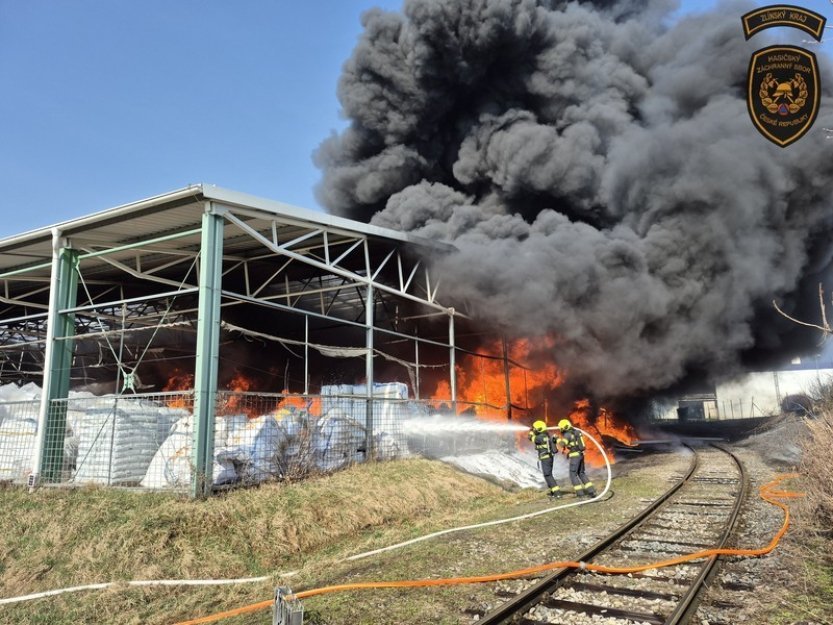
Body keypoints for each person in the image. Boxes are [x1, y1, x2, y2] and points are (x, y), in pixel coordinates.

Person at [556, 418, 597, 498]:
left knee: (573, 475)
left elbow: (562, 444)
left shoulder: (567, 435)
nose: (561, 430)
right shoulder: (577, 432)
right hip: (581, 455)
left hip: (575, 457)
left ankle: (580, 494)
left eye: (561, 428)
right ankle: (591, 491)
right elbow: (576, 444)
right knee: (581, 473)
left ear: (563, 427)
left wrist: (557, 439)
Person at [528, 420, 563, 499]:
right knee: (548, 475)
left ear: (539, 429)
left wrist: (531, 431)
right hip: (549, 457)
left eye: (535, 429)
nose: (534, 430)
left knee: (548, 475)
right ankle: (553, 492)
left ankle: (557, 494)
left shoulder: (539, 438)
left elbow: (530, 438)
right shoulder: (546, 435)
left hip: (545, 458)